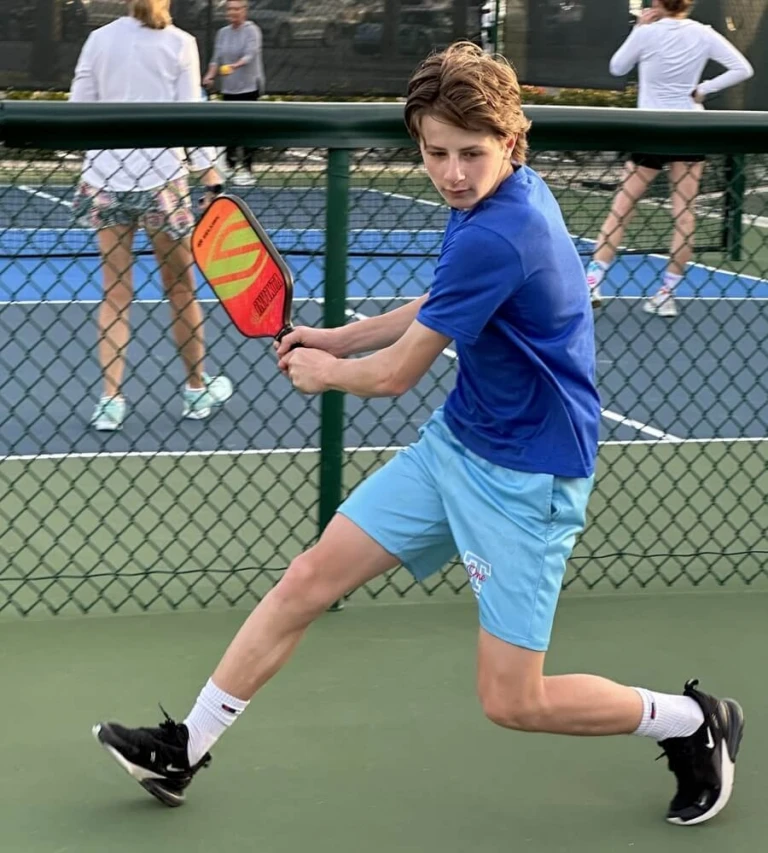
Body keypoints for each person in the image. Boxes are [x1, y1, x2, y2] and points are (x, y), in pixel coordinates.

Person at [92, 42, 744, 826]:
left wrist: (329, 372)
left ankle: (693, 720)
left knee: (515, 699)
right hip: (457, 445)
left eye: (472, 153)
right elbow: (435, 307)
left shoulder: (500, 232)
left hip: (527, 476)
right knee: (308, 579)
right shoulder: (487, 208)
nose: (453, 172)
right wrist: (337, 338)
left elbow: (399, 373)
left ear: (512, 141)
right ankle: (187, 744)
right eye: (436, 153)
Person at [70, 0, 234, 431]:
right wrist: (210, 179)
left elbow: (77, 107)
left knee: (115, 294)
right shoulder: (181, 43)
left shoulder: (98, 40)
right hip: (162, 181)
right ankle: (196, 390)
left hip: (106, 181)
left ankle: (110, 400)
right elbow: (190, 115)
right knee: (181, 289)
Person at [586, 0, 753, 316]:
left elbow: (617, 68)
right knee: (684, 214)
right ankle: (667, 295)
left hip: (651, 129)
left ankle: (593, 283)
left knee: (621, 209)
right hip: (689, 129)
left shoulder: (646, 33)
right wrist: (703, 90)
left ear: (659, 3)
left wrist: (639, 30)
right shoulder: (703, 34)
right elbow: (743, 69)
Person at [202, 0, 265, 187]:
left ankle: (247, 168)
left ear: (244, 11)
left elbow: (250, 55)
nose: (233, 12)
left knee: (248, 129)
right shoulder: (223, 33)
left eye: (237, 9)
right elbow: (216, 58)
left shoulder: (252, 30)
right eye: (230, 9)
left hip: (250, 87)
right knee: (229, 128)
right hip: (229, 88)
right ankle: (228, 166)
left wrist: (233, 66)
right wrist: (210, 76)